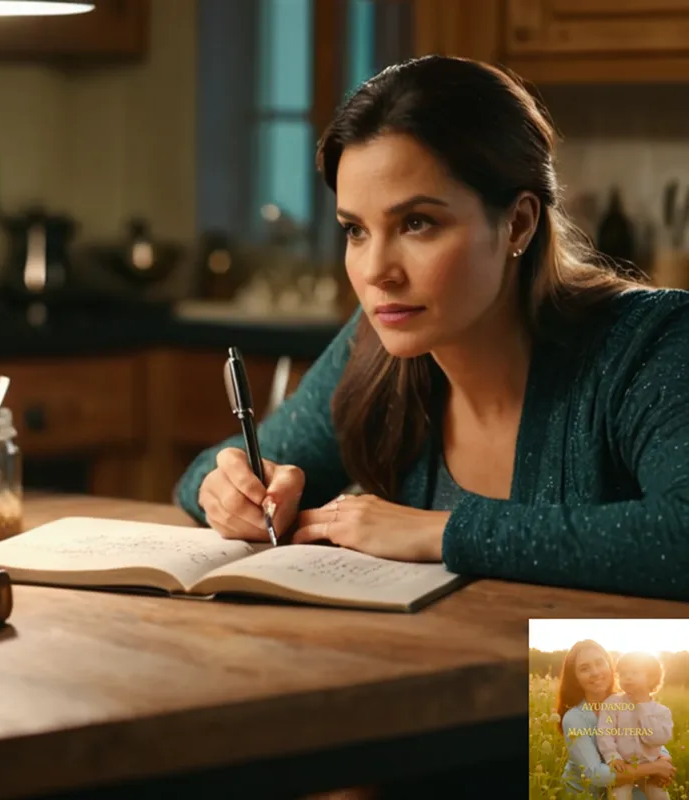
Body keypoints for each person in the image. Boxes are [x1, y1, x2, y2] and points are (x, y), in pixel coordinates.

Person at [175, 54, 689, 601]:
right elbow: (199, 479)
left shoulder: (650, 342)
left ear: (518, 223)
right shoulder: (378, 347)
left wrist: (440, 532)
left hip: (601, 661)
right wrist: (230, 491)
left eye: (417, 223)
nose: (377, 272)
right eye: (355, 230)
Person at [557, 640, 675, 799]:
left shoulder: (629, 701)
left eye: (600, 663)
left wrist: (664, 759)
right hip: (588, 794)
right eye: (584, 669)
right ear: (575, 678)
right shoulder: (574, 718)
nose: (595, 672)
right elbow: (595, 774)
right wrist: (654, 768)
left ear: (610, 666)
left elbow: (649, 740)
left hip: (631, 784)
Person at [596, 651, 674, 800]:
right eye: (623, 674)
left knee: (660, 796)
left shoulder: (661, 712)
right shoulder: (612, 703)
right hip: (623, 766)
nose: (628, 677)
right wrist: (612, 757)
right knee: (618, 796)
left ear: (651, 678)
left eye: (634, 672)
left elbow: (656, 739)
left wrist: (642, 707)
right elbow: (604, 733)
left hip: (651, 768)